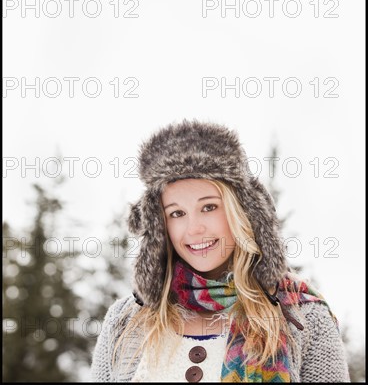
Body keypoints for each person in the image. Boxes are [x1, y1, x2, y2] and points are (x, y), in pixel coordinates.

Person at [91, 119, 350, 382]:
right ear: (160, 225)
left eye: (209, 207)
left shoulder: (303, 317)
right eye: (177, 213)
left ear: (242, 211)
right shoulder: (125, 321)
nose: (194, 229)